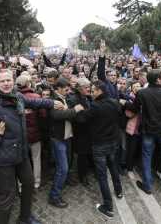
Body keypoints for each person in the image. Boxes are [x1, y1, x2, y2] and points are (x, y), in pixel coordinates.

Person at [0, 70, 62, 224]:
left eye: (9, 80)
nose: (6, 83)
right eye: (2, 81)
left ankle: (25, 217)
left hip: (21, 153)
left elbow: (34, 102)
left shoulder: (18, 96)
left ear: (13, 81)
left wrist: (52, 102)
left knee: (28, 185)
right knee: (7, 195)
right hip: (4, 158)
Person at [77, 80, 124, 218]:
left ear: (100, 91)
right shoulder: (114, 102)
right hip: (113, 141)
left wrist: (79, 110)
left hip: (100, 144)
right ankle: (119, 190)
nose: (91, 92)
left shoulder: (95, 106)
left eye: (93, 90)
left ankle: (108, 206)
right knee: (113, 167)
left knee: (102, 175)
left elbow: (81, 119)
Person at [48, 78, 84, 208]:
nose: (68, 91)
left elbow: (67, 115)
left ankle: (66, 180)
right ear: (58, 88)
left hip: (67, 136)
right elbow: (58, 116)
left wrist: (69, 110)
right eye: (66, 89)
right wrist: (75, 110)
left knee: (68, 163)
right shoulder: (53, 100)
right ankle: (54, 196)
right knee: (62, 168)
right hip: (58, 139)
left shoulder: (64, 98)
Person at [16, 75, 44, 189]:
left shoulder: (14, 98)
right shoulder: (36, 97)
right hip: (35, 134)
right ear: (28, 84)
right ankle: (37, 181)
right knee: (36, 159)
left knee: (22, 160)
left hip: (20, 135)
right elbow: (43, 115)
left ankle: (21, 184)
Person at [67, 77, 93, 186]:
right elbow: (78, 118)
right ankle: (82, 176)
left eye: (89, 87)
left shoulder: (89, 97)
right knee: (81, 154)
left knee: (87, 153)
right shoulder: (73, 99)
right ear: (79, 88)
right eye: (86, 87)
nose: (89, 89)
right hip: (80, 132)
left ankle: (88, 170)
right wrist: (91, 114)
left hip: (89, 131)